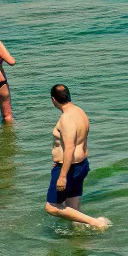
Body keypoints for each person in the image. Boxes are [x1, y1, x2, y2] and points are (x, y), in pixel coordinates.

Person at [45, 84, 109, 230]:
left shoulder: (66, 119)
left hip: (69, 167)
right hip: (81, 165)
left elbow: (69, 149)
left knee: (51, 207)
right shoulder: (80, 112)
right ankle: (79, 239)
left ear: (53, 100)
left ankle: (96, 222)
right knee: (73, 210)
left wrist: (62, 176)